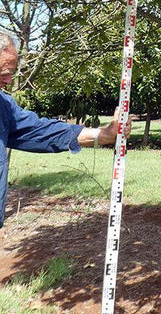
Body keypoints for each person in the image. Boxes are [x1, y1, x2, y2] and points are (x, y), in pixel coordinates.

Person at [0, 30, 131, 228]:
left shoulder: (4, 108)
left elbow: (43, 131)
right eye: (4, 73)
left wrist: (105, 135)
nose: (9, 81)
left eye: (11, 73)